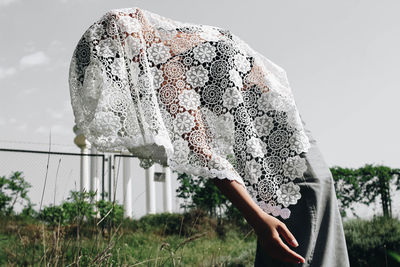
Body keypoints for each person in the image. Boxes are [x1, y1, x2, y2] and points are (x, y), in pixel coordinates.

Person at [68, 7, 350, 266]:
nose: (133, 18)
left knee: (314, 238)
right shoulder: (167, 72)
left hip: (291, 145)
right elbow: (202, 152)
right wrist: (258, 219)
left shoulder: (182, 42)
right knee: (304, 245)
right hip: (283, 166)